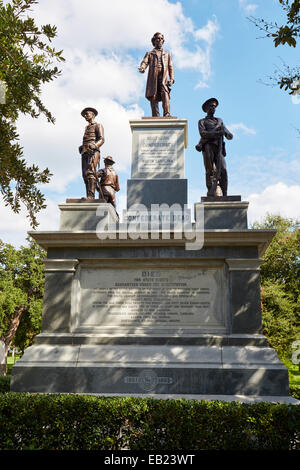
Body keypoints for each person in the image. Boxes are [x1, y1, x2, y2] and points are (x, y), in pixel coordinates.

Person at [195, 98, 233, 197]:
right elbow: (203, 134)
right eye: (211, 106)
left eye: (214, 106)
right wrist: (216, 133)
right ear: (206, 108)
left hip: (219, 148)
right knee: (209, 170)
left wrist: (228, 134)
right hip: (208, 147)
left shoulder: (219, 121)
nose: (213, 108)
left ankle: (225, 193)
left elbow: (227, 133)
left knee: (223, 169)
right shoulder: (202, 121)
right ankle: (210, 190)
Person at [138, 32, 174, 117]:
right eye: (158, 38)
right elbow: (145, 62)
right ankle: (155, 115)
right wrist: (142, 67)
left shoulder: (167, 54)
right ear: (154, 41)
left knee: (165, 93)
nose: (160, 40)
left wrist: (172, 79)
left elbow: (170, 67)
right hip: (153, 78)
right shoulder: (150, 53)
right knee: (153, 96)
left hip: (163, 77)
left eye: (161, 39)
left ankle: (167, 113)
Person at [79, 107, 105, 199]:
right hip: (84, 151)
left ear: (93, 115)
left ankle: (91, 196)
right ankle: (88, 196)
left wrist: (94, 146)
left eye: (87, 114)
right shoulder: (86, 127)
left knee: (90, 172)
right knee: (84, 174)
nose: (85, 116)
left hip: (93, 151)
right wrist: (82, 147)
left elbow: (101, 139)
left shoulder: (98, 125)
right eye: (84, 114)